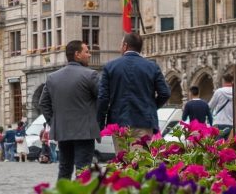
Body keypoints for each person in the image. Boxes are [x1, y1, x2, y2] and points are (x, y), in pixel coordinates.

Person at [97, 32, 171, 153]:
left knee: (123, 163)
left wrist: (100, 125)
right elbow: (165, 93)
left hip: (119, 122)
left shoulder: (110, 67)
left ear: (125, 46)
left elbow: (103, 98)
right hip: (144, 122)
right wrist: (150, 107)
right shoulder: (152, 67)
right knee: (140, 165)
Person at [39, 40, 100, 180]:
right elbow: (103, 100)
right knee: (83, 170)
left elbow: (43, 103)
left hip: (63, 131)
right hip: (85, 132)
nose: (89, 55)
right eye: (86, 52)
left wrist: (54, 121)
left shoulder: (52, 77)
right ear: (77, 54)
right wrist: (98, 121)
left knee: (64, 169)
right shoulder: (91, 75)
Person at [209, 73, 234, 140]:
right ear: (232, 81)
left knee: (218, 147)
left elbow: (210, 107)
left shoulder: (219, 92)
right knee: (229, 147)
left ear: (223, 81)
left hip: (219, 123)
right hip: (232, 124)